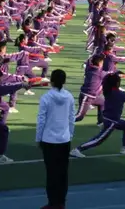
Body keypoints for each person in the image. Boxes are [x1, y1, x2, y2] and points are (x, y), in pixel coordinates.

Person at [36, 69, 75, 209]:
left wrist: (38, 137)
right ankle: (61, 202)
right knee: (63, 172)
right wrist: (70, 134)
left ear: (51, 80)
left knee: (51, 172)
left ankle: (52, 202)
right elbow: (71, 118)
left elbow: (41, 119)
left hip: (49, 139)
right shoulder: (69, 96)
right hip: (64, 139)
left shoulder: (46, 97)